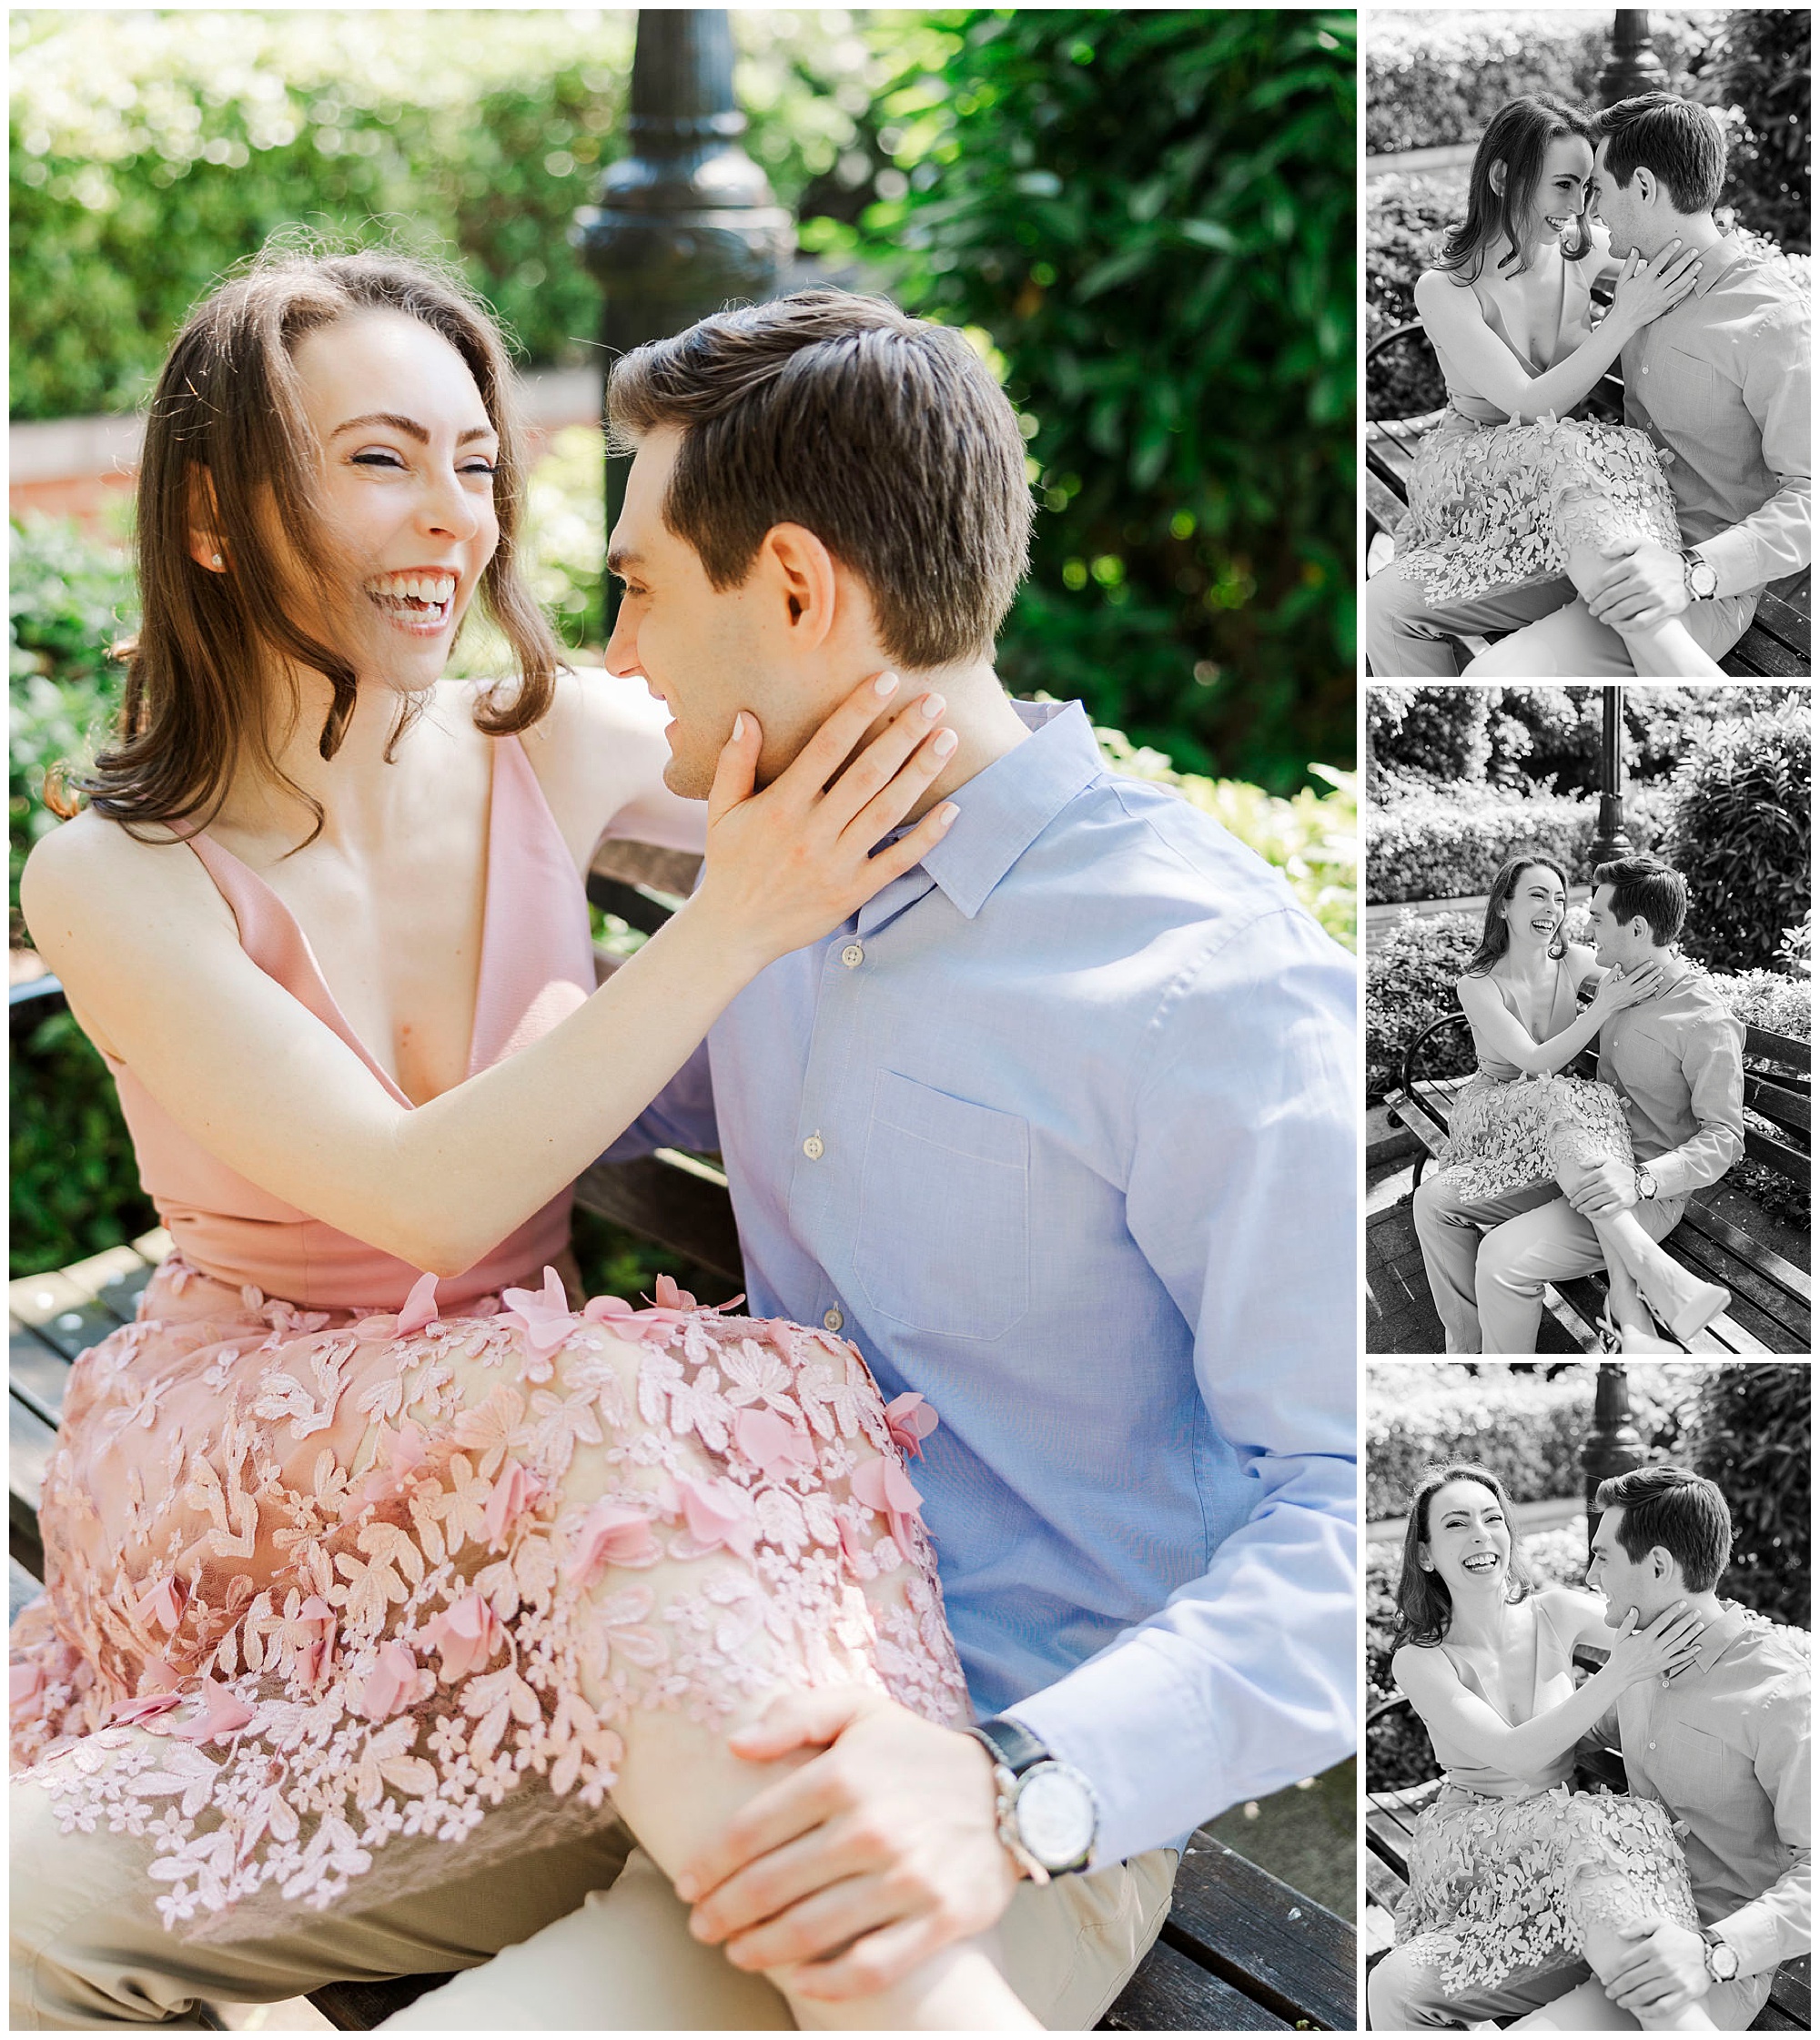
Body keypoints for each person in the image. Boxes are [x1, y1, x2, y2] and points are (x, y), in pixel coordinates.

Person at [10, 267, 1359, 2029]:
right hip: (614, 1645)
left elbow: (1364, 1511)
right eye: (383, 459)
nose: (605, 656)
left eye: (631, 589)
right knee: (28, 1896)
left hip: (972, 1766)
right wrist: (703, 933)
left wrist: (1024, 1782)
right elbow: (496, 1123)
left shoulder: (1204, 984)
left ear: (792, 584)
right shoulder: (775, 893)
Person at [1369, 91, 1811, 679]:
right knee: (1382, 605)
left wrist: (1694, 570)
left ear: (1646, 188)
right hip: (1583, 525)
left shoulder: (1770, 319)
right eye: (1571, 187)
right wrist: (1622, 315)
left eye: (1595, 187)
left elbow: (1812, 494)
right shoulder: (1638, 278)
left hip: (1689, 576)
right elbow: (1532, 397)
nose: (1587, 210)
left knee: (1488, 678)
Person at [1370, 1463, 1811, 2030]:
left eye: (1601, 1557)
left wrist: (1714, 1951)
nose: (1589, 1574)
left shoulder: (1777, 1691)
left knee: (1578, 1824)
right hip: (1582, 1897)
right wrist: (1619, 1674)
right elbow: (1561, 1737)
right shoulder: (1639, 1661)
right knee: (1391, 1987)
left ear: (1655, 1566)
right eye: (1457, 1523)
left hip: (1700, 1945)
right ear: (1426, 1554)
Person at [1413, 852, 1744, 1355]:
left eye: (1594, 915)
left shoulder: (1702, 1018)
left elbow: (1725, 1138)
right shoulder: (1616, 982)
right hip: (1570, 1157)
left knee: (1501, 1258)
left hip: (1640, 1192)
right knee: (1432, 1199)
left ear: (1634, 929)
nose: (1580, 923)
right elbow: (1539, 1049)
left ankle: (1509, 1384)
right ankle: (1468, 1350)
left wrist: (1642, 1180)